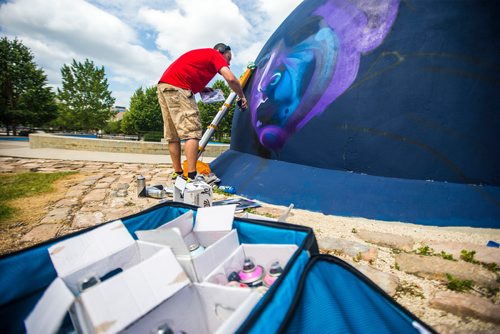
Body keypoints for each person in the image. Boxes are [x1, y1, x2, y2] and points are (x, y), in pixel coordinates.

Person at [157, 43, 247, 181]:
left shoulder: (202, 55)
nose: (228, 62)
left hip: (164, 86)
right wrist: (241, 95)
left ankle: (178, 173)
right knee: (192, 131)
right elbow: (230, 78)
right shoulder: (214, 54)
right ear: (220, 51)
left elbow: (188, 71)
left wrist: (202, 88)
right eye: (228, 58)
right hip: (179, 87)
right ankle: (192, 176)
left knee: (172, 134)